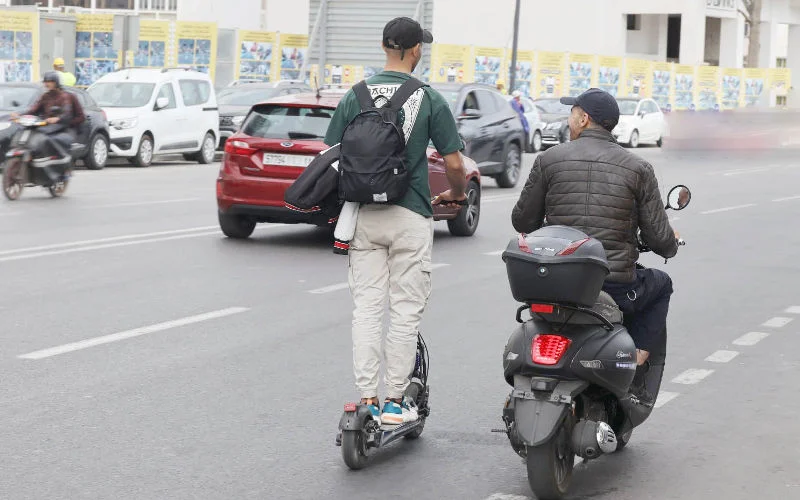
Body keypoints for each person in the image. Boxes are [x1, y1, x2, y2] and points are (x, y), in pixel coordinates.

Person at [324, 16, 467, 425]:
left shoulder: (355, 95)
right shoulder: (429, 98)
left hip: (365, 216)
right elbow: (454, 162)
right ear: (417, 49)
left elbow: (333, 150)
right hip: (411, 213)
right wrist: (457, 193)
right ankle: (393, 402)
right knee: (404, 310)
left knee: (367, 308)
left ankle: (366, 396)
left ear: (384, 47)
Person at [510, 88, 679, 407]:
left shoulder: (549, 159)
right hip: (613, 286)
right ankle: (637, 360)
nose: (568, 118)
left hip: (553, 283)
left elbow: (523, 220)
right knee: (661, 284)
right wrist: (670, 246)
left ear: (583, 118)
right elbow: (659, 238)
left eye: (571, 112)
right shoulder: (638, 168)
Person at [11, 72, 76, 178]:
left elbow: (67, 113)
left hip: (59, 126)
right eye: (46, 82)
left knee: (46, 138)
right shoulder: (45, 96)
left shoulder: (64, 96)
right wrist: (19, 115)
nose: (47, 84)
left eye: (49, 82)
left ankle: (58, 166)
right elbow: (33, 110)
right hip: (46, 124)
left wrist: (57, 118)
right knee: (29, 133)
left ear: (56, 83)